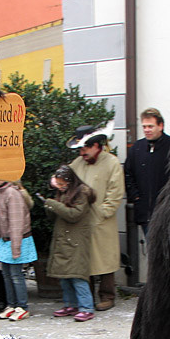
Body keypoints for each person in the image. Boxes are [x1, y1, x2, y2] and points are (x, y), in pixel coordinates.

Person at [68, 126, 125, 311]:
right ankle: (87, 297)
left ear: (95, 146)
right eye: (80, 149)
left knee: (105, 260)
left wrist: (102, 213)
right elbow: (66, 182)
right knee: (84, 261)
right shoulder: (77, 163)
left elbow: (115, 193)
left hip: (102, 222)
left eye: (84, 148)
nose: (81, 152)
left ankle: (107, 296)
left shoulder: (112, 163)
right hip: (80, 221)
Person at [40, 165, 96, 322]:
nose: (60, 186)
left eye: (61, 183)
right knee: (65, 277)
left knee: (78, 276)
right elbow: (55, 217)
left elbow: (74, 215)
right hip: (63, 241)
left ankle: (87, 307)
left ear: (69, 180)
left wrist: (53, 204)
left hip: (76, 242)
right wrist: (50, 206)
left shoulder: (82, 193)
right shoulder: (64, 193)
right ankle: (71, 305)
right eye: (57, 184)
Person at [0, 178, 37, 321]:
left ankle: (22, 306)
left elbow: (16, 223)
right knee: (6, 273)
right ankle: (11, 304)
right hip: (6, 240)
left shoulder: (11, 193)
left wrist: (16, 248)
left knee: (16, 275)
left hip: (16, 239)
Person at [123, 108, 170, 238]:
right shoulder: (137, 148)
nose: (146, 130)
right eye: (144, 127)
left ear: (160, 126)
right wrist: (136, 197)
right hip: (145, 214)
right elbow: (128, 174)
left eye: (150, 126)